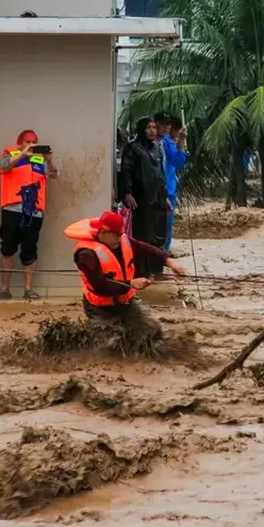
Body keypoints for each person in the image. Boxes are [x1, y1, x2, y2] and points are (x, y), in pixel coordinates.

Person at [63, 211, 185, 350]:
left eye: (120, 234)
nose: (120, 238)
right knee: (113, 345)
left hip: (126, 303)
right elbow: (101, 286)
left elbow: (145, 248)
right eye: (116, 235)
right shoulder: (86, 255)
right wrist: (131, 284)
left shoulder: (121, 240)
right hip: (100, 309)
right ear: (103, 233)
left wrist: (168, 260)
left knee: (153, 331)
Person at [0, 129, 57, 300]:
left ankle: (28, 289)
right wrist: (22, 155)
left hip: (33, 212)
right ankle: (5, 289)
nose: (31, 144)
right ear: (19, 143)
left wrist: (49, 161)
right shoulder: (10, 154)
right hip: (12, 209)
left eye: (34, 142)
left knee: (29, 249)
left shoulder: (39, 159)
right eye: (27, 141)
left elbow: (54, 175)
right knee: (7, 248)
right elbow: (4, 166)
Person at [117, 117, 168, 277]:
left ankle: (156, 269)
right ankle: (142, 272)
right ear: (141, 130)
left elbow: (160, 175)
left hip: (157, 199)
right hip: (141, 199)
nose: (152, 130)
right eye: (148, 128)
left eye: (154, 127)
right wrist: (127, 193)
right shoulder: (132, 148)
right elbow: (126, 172)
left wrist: (164, 197)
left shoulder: (157, 149)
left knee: (158, 235)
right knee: (143, 236)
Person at [152, 113, 188, 253]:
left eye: (169, 125)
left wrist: (181, 142)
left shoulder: (166, 142)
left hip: (169, 190)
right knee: (162, 227)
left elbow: (178, 160)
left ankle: (162, 254)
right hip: (162, 190)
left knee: (166, 226)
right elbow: (177, 160)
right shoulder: (165, 142)